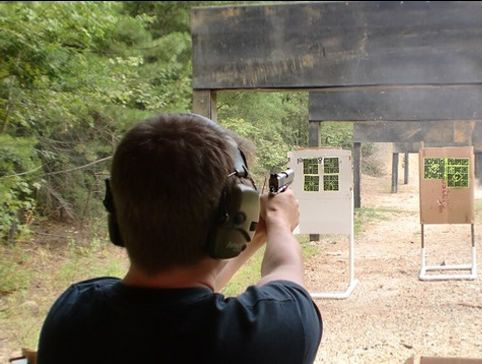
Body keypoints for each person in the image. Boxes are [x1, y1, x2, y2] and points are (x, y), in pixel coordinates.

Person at [37, 113, 323, 363]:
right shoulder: (264, 337)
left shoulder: (73, 315)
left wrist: (255, 233)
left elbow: (177, 301)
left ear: (116, 210)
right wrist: (279, 223)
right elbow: (284, 272)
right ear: (237, 213)